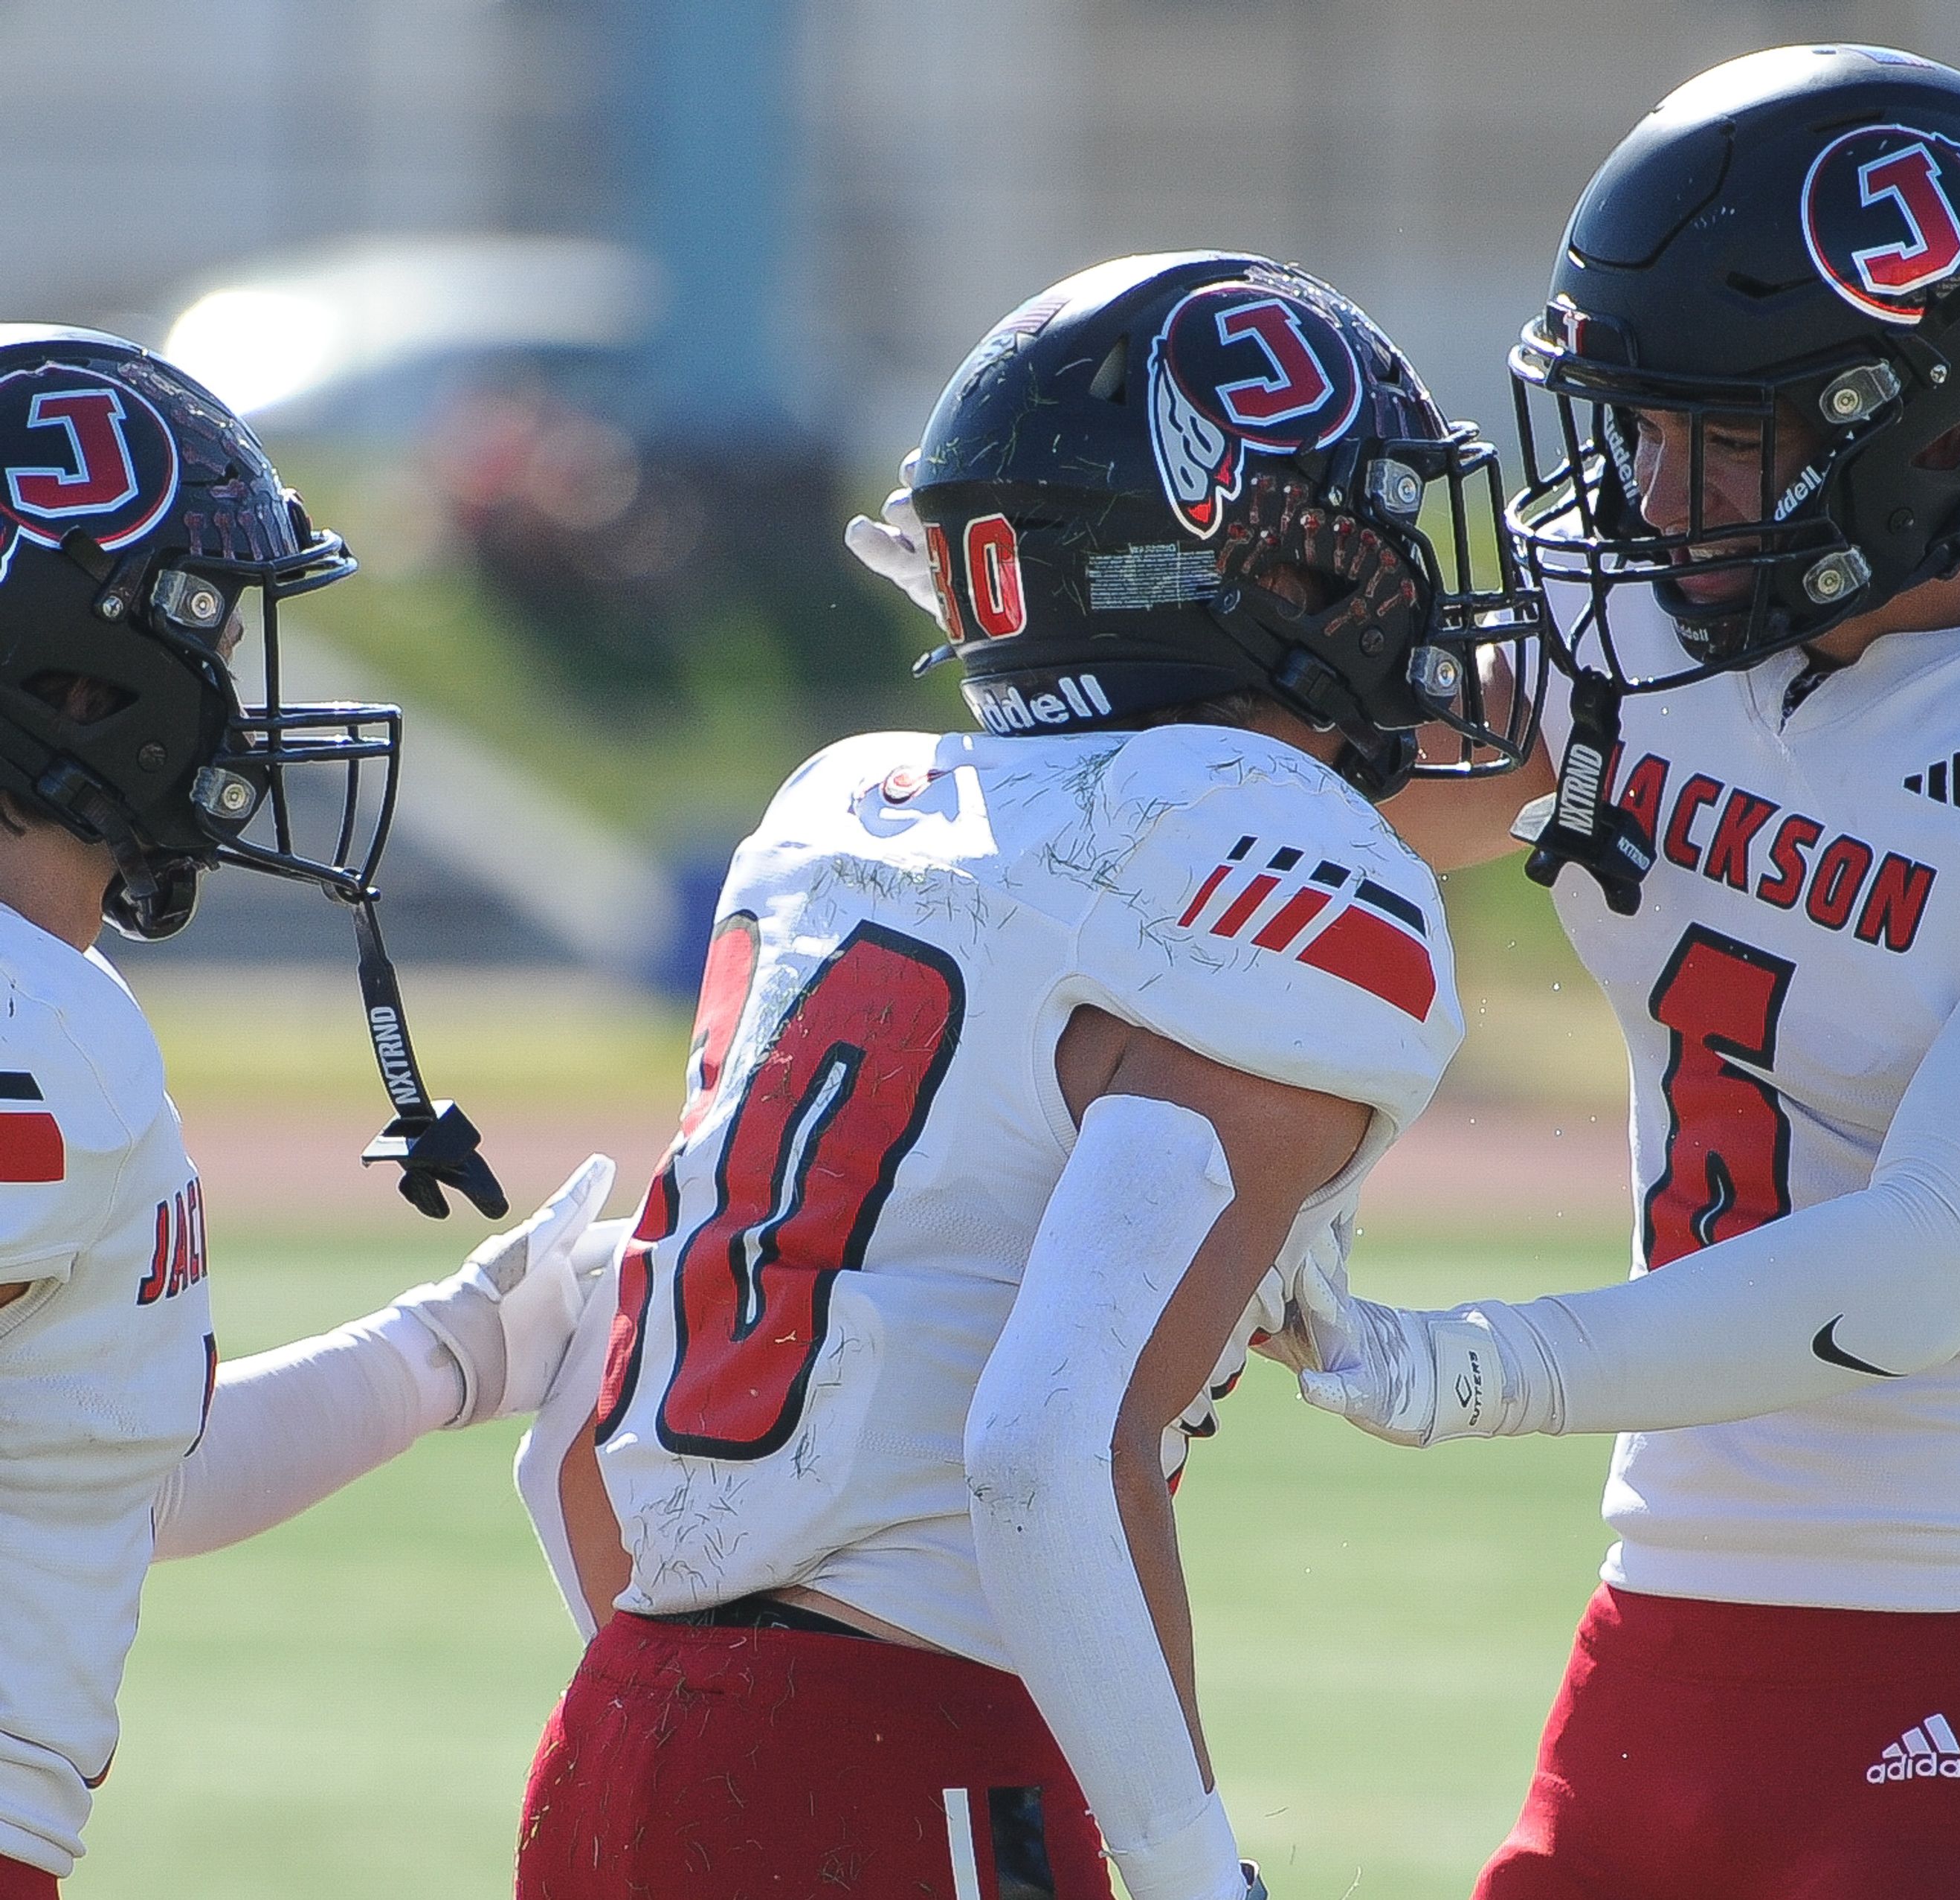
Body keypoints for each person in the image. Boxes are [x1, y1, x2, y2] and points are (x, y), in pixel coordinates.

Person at [1289, 47, 1960, 1900]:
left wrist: (1458, 1368)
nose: (1644, 488)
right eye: (1631, 421)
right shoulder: (1641, 618)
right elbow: (1298, 825)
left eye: (1722, 433)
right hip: (1654, 1648)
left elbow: (1925, 1261)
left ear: (1929, 429)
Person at [508, 253, 1540, 1900]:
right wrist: (1198, 1874)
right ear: (1210, 580)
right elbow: (1045, 1450)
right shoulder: (1262, 875)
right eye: (1343, 557)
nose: (1399, 603)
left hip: (620, 1730)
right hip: (917, 1750)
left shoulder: (857, 814)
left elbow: (569, 1451)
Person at [0, 327, 618, 1898]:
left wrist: (457, 1350)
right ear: (82, 673)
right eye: (207, 642)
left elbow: (119, 1470)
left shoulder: (67, 1016)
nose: (235, 703)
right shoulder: (41, 1026)